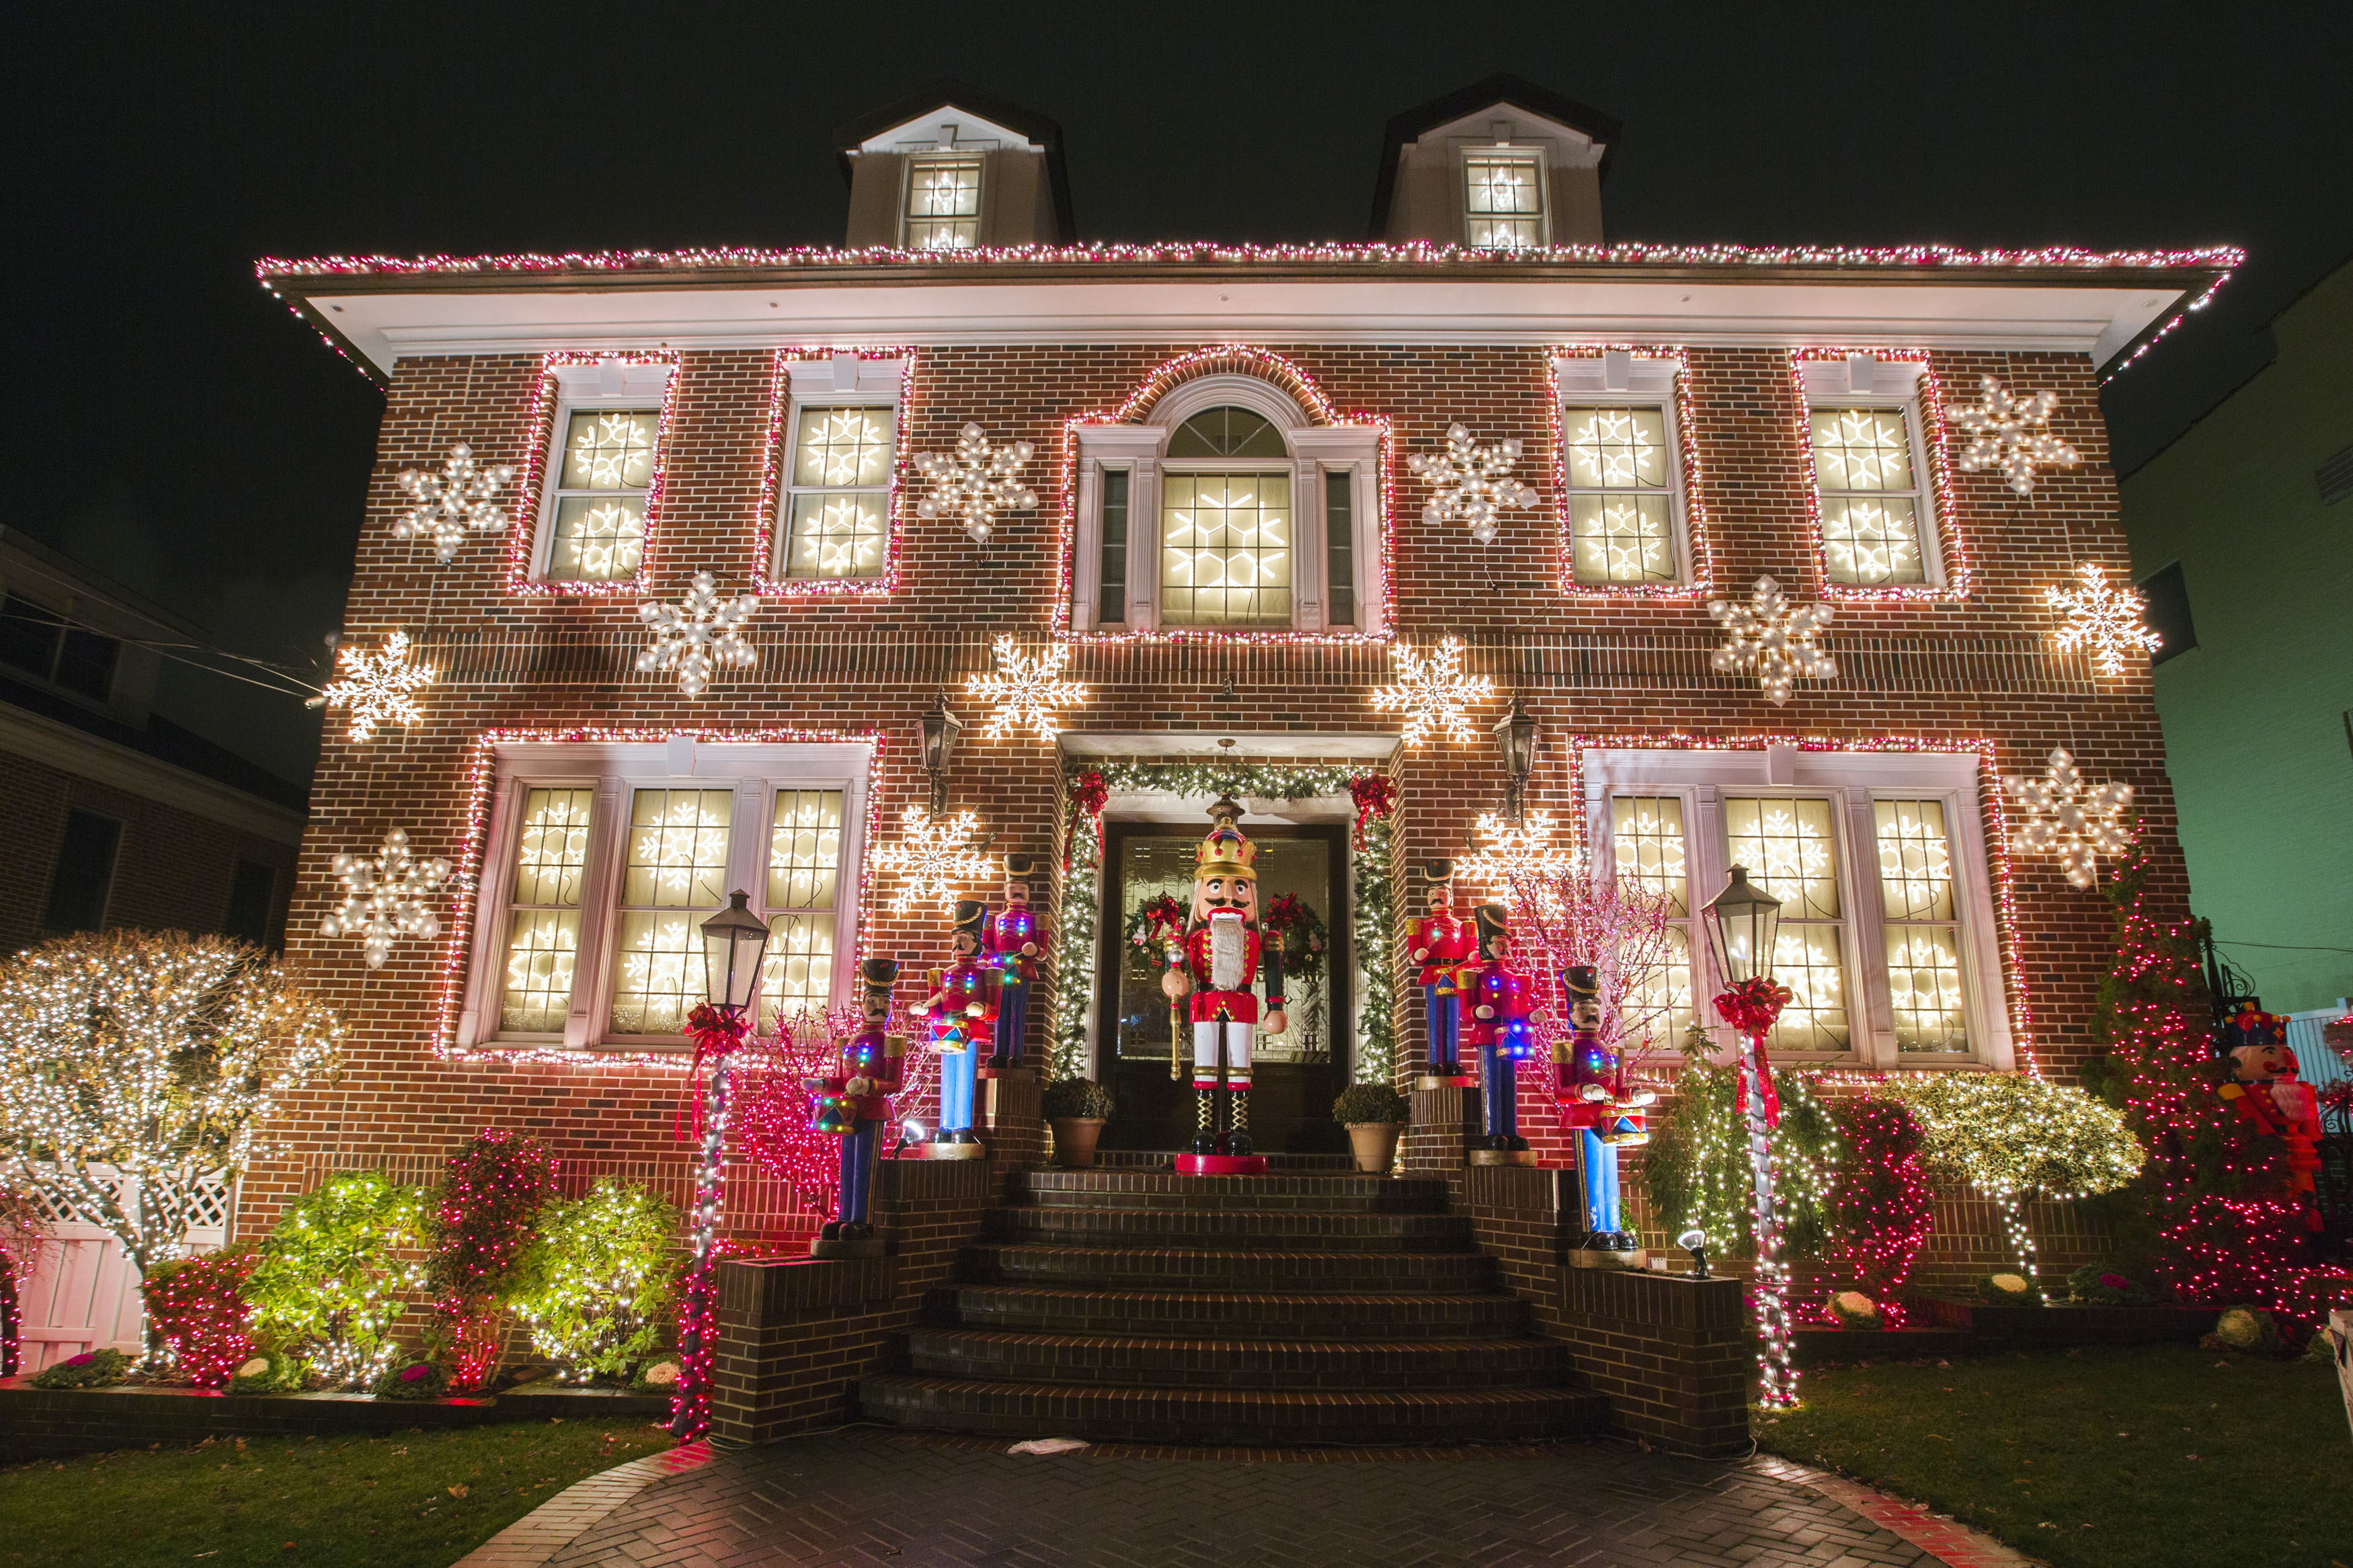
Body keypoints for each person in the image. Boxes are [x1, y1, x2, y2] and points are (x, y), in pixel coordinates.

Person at [1162, 796, 1288, 1159]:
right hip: (1204, 1000)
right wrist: (1175, 977)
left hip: (1243, 1002)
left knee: (1240, 1066)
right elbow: (1175, 972)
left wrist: (1276, 1006)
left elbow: (1274, 970)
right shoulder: (1191, 938)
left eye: (1238, 889)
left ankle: (1239, 1131)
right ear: (1201, 896)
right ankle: (1203, 1129)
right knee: (1203, 1063)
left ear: (1251, 894)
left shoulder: (1262, 938)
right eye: (1216, 887)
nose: (1228, 897)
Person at [1553, 963, 1652, 1257]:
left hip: (1611, 1118)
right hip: (1585, 1118)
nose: (1591, 1012)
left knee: (1612, 1173)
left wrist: (1635, 1094)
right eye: (1583, 1007)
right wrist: (1582, 1092)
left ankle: (1614, 1225)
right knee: (1593, 1173)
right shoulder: (1567, 1049)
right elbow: (1561, 1090)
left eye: (1595, 1006)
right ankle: (1594, 1228)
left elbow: (1618, 1090)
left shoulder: (1612, 1051)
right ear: (1571, 1014)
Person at [806, 958, 901, 1243]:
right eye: (872, 1000)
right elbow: (840, 1079)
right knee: (847, 1165)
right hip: (846, 1112)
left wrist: (867, 1085)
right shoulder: (849, 1041)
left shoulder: (891, 1042)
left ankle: (862, 1222)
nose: (879, 1007)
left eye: (885, 1001)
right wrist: (822, 1084)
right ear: (863, 1004)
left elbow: (893, 1083)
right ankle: (844, 1216)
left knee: (865, 1167)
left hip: (872, 1111)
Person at [2214, 999, 2323, 1229]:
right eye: (2271, 1052)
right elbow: (2253, 1120)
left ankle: (2312, 1227)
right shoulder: (2237, 1091)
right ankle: (2291, 1227)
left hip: (2300, 1146)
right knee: (2282, 1192)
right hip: (2271, 1150)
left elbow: (2310, 1120)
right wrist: (2269, 1143)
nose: (2285, 1061)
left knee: (2306, 1191)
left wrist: (2315, 1137)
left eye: (2286, 1053)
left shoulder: (2300, 1088)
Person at [914, 899, 996, 1156]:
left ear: (978, 942)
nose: (958, 943)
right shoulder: (945, 972)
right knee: (947, 1077)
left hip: (969, 1029)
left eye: (965, 937)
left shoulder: (987, 973)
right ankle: (945, 1125)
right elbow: (938, 1002)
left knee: (966, 1075)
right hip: (946, 1028)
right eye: (957, 937)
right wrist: (926, 1008)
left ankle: (963, 1125)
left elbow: (994, 1009)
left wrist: (981, 1009)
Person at [1457, 902, 1534, 1163]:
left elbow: (1523, 1005)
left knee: (1509, 1082)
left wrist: (1532, 1016)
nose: (1504, 947)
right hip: (1490, 1034)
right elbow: (1466, 1011)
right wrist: (1478, 1012)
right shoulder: (1474, 976)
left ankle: (1511, 1132)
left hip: (1511, 1033)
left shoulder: (1517, 977)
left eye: (1506, 942)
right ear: (1485, 944)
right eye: (1499, 942)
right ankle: (1493, 1132)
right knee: (1491, 1082)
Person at [1409, 860, 1476, 1083]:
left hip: (1454, 973)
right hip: (1433, 973)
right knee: (1436, 1018)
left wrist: (1472, 957)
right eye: (1432, 893)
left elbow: (1470, 955)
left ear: (1451, 896)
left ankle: (1453, 1061)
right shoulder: (1421, 924)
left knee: (1453, 1018)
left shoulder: (1462, 925)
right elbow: (1413, 956)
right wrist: (1419, 954)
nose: (1436, 897)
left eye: (1442, 892)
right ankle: (1436, 1061)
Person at [986, 854, 1045, 1070]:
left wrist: (1035, 949)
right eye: (1013, 886)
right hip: (999, 970)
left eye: (1023, 887)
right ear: (1006, 890)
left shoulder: (1034, 920)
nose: (1018, 890)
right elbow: (987, 946)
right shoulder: (996, 919)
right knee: (999, 1013)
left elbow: (1043, 951)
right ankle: (999, 1054)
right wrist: (985, 954)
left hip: (1020, 969)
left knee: (1018, 1013)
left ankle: (1016, 1055)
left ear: (1029, 892)